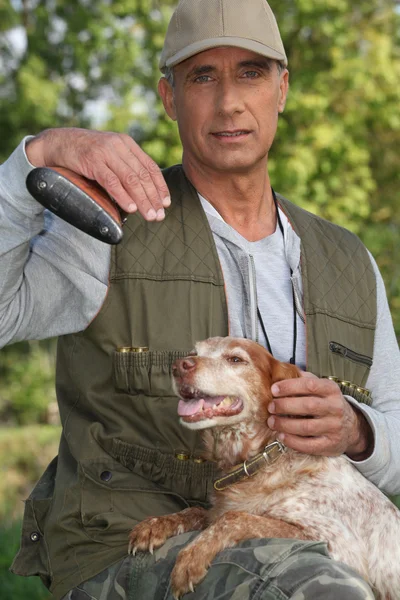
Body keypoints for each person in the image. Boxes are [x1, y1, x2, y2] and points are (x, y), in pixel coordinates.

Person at [0, 0, 399, 598]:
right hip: (130, 552)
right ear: (169, 98)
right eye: (202, 76)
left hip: (319, 544)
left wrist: (357, 430)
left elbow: (394, 439)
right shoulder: (111, 227)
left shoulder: (347, 261)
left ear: (282, 89)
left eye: (251, 73)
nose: (229, 102)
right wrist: (31, 162)